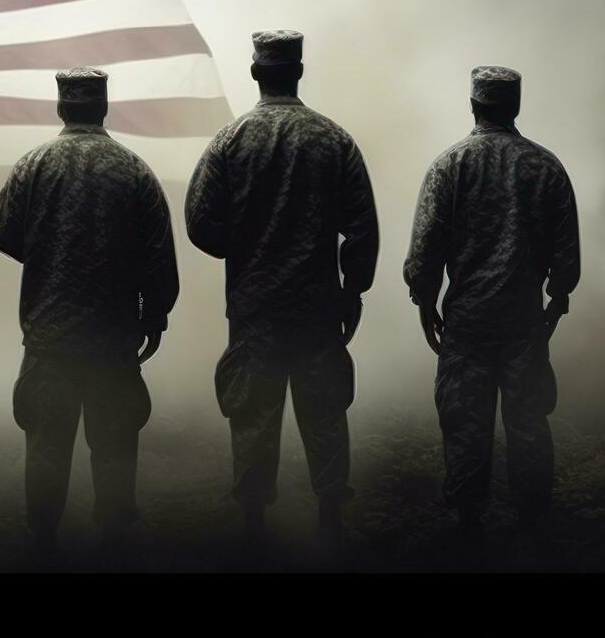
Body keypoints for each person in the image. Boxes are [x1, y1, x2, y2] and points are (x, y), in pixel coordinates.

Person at [185, 30, 378, 555]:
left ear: (255, 73)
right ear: (296, 72)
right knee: (325, 413)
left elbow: (201, 222)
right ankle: (331, 518)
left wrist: (245, 250)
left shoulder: (231, 141)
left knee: (253, 415)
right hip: (318, 308)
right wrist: (353, 288)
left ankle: (252, 525)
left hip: (256, 309)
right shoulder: (333, 140)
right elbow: (361, 225)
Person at [0, 68, 179, 564]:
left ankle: (43, 542)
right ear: (104, 107)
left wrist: (46, 250)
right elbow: (159, 253)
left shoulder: (34, 165)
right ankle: (114, 541)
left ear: (61, 107)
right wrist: (154, 314)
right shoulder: (135, 170)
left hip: (50, 341)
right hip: (114, 342)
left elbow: (4, 233)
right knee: (114, 447)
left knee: (47, 445)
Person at [402, 66, 580, 552]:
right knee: (528, 424)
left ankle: (468, 523)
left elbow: (425, 252)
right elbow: (566, 260)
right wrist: (555, 303)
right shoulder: (546, 168)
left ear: (475, 105)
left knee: (465, 424)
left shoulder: (449, 166)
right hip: (523, 323)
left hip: (466, 324)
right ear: (514, 107)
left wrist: (425, 299)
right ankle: (532, 524)